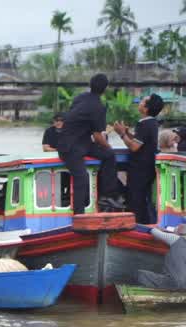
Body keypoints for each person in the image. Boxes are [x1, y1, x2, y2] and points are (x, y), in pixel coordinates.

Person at [57, 73, 122, 214]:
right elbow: (98, 136)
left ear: (90, 84)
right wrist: (108, 145)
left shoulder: (80, 98)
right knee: (82, 178)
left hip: (81, 143)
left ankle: (107, 195)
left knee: (108, 155)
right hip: (70, 147)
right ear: (105, 89)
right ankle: (79, 215)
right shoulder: (98, 107)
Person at [113, 93, 163, 225]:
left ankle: (138, 224)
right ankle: (144, 223)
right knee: (141, 197)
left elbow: (134, 147)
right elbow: (140, 140)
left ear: (146, 109)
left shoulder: (144, 124)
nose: (140, 102)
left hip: (140, 168)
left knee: (136, 198)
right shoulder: (152, 123)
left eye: (143, 101)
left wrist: (122, 134)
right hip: (146, 166)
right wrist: (128, 133)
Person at [136, 223, 186, 290]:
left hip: (175, 283)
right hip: (182, 285)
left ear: (177, 233)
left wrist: (134, 225)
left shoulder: (176, 238)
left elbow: (153, 231)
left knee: (140, 274)